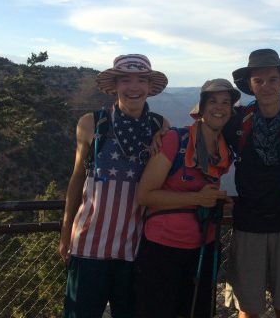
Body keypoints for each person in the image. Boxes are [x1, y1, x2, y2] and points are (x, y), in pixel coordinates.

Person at [59, 54, 169, 318]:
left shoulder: (161, 126)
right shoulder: (91, 123)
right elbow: (76, 178)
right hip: (88, 245)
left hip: (135, 248)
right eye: (126, 80)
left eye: (141, 80)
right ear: (115, 85)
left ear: (149, 87)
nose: (134, 87)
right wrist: (65, 232)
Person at [134, 78, 239, 318]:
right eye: (212, 101)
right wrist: (197, 199)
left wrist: (217, 204)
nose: (219, 107)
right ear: (201, 107)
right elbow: (145, 195)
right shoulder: (174, 140)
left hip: (204, 247)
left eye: (225, 102)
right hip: (163, 248)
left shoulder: (224, 150)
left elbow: (205, 194)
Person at [224, 49, 280, 318]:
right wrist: (163, 127)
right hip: (248, 224)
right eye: (259, 80)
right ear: (250, 85)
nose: (266, 86)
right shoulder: (237, 119)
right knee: (248, 308)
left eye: (272, 79)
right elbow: (204, 133)